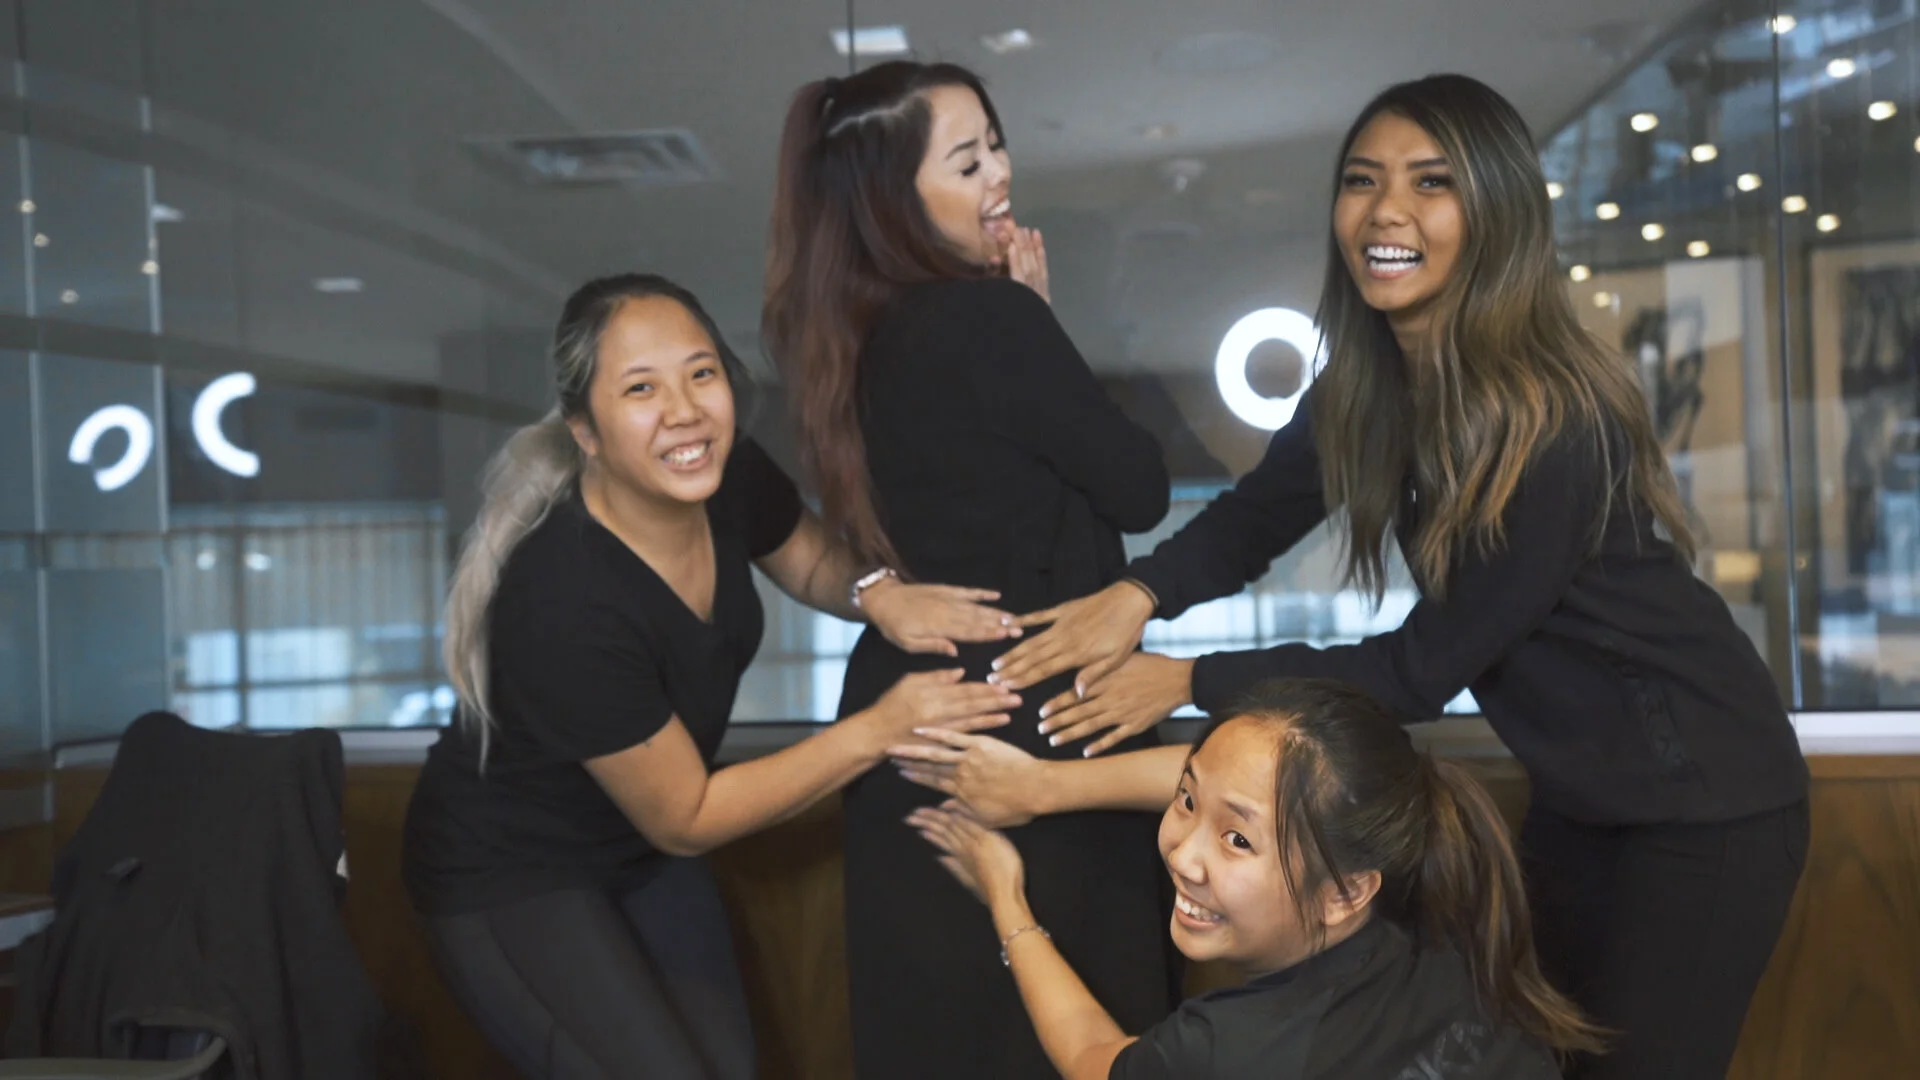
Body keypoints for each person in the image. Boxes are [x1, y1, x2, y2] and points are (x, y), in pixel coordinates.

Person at [974, 74, 1811, 1079]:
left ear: (1497, 211)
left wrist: (1189, 680)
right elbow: (1254, 518)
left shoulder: (1555, 419)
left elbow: (1419, 669)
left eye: (1431, 182)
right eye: (1363, 180)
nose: (1387, 211)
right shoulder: (1368, 386)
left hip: (1706, 800)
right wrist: (1136, 596)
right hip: (1582, 796)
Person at [401, 273, 1024, 1080]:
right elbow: (686, 817)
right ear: (586, 430)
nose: (685, 411)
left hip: (638, 849)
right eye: (641, 389)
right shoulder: (562, 599)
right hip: (512, 870)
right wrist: (878, 730)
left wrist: (879, 595)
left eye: (701, 373)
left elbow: (807, 562)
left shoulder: (721, 473)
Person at [762, 61, 1180, 1078]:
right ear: (892, 200)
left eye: (995, 145)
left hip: (913, 725)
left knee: (937, 1039)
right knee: (1077, 1041)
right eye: (966, 161)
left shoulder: (845, 341)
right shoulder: (991, 319)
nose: (999, 173)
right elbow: (1140, 488)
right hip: (1035, 724)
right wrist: (1037, 320)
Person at [909, 678, 1599, 1079]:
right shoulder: (1442, 918)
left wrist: (1005, 896)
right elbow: (1236, 781)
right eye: (1186, 801)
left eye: (1237, 840)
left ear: (1345, 892)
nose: (1184, 856)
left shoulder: (1230, 1048)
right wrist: (1041, 787)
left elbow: (1093, 1058)